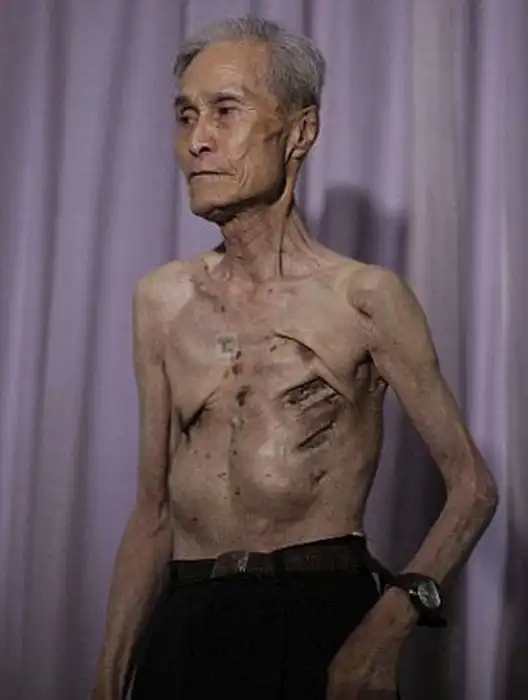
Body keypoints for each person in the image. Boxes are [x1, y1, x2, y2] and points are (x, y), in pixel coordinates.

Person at [91, 16, 498, 700]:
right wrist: (107, 680)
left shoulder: (364, 298)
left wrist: (385, 629)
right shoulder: (161, 300)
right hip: (186, 622)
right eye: (186, 116)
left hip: (320, 618)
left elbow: (473, 488)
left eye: (226, 111)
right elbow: (153, 513)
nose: (197, 140)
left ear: (300, 131)